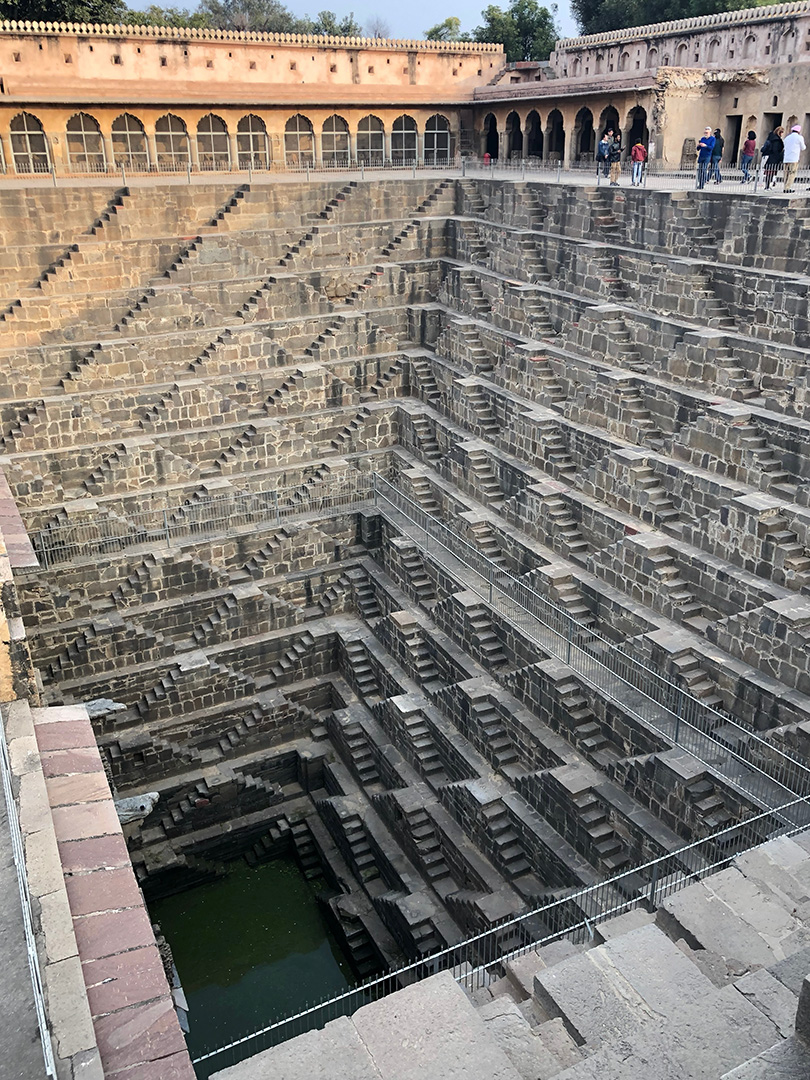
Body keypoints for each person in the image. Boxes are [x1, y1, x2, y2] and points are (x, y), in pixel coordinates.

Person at [782, 124, 806, 192]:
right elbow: (803, 147)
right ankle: (788, 187)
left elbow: (784, 146)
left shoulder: (787, 137)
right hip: (794, 158)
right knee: (792, 173)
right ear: (798, 131)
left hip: (786, 158)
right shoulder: (799, 137)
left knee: (786, 173)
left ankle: (785, 187)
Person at [761, 125, 785, 190]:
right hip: (774, 158)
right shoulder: (776, 140)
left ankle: (767, 186)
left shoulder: (772, 138)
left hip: (771, 157)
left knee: (770, 172)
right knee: (770, 172)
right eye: (782, 132)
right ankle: (767, 186)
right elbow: (775, 149)